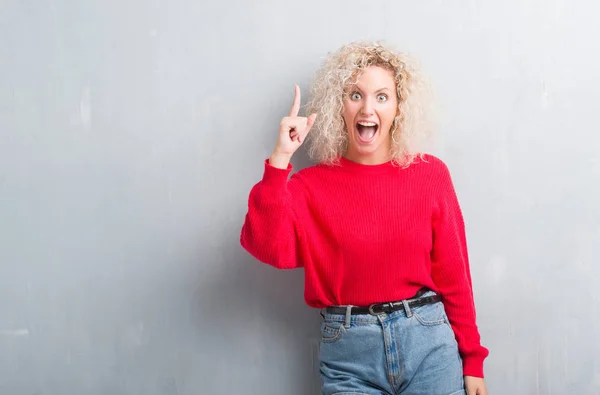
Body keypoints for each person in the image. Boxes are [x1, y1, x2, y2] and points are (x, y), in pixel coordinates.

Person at [240, 40, 489, 395]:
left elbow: (454, 274)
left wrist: (473, 360)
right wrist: (280, 158)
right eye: (355, 95)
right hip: (349, 355)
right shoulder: (309, 186)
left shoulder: (430, 174)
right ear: (337, 105)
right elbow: (267, 247)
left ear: (398, 108)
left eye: (382, 97)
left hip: (428, 344)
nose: (367, 108)